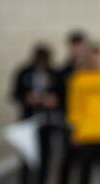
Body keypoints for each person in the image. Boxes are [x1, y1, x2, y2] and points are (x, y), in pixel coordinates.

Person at [11, 45, 61, 184]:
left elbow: (61, 95)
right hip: (28, 121)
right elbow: (15, 94)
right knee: (27, 159)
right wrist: (27, 98)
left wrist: (53, 100)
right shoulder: (24, 72)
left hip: (48, 122)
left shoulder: (54, 73)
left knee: (45, 158)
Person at [57, 30, 88, 183]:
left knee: (86, 159)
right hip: (68, 119)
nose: (77, 50)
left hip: (89, 121)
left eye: (80, 46)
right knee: (68, 156)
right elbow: (58, 95)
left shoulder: (91, 70)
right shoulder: (63, 71)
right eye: (74, 47)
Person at [67, 43, 100, 184]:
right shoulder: (78, 79)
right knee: (84, 172)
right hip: (86, 134)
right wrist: (75, 130)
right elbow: (74, 107)